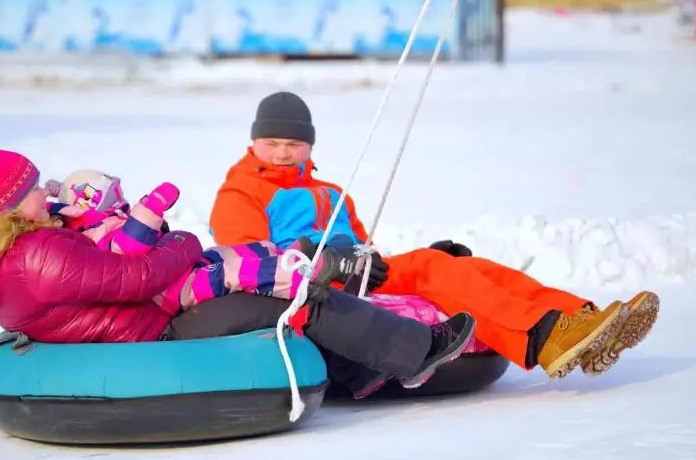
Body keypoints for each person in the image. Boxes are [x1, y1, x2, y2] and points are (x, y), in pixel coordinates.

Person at [0, 149, 475, 396]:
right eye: (34, 190)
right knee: (292, 300)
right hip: (156, 327)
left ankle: (357, 372)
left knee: (274, 296)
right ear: (6, 207)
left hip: (141, 321)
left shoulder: (5, 256)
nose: (47, 193)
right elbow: (136, 278)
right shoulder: (40, 253)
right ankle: (415, 351)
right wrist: (188, 241)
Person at [208, 91, 660, 386]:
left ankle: (581, 319)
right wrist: (327, 260)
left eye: (294, 144)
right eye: (273, 143)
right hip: (314, 287)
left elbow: (364, 247)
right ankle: (545, 339)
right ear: (254, 143)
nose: (283, 152)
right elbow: (251, 264)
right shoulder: (241, 191)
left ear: (310, 146)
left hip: (357, 273)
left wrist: (365, 258)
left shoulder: (328, 192)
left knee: (465, 266)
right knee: (430, 268)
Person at [40, 168, 380, 315]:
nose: (122, 199)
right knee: (234, 273)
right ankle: (307, 277)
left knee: (226, 254)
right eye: (115, 194)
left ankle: (287, 254)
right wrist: (150, 207)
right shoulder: (95, 231)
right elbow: (128, 250)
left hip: (176, 272)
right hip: (174, 292)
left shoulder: (103, 222)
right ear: (93, 201)